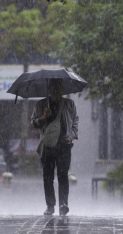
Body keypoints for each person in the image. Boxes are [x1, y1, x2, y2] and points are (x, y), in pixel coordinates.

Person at [31, 78, 79, 216]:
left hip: (64, 145)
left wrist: (71, 136)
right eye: (53, 88)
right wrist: (43, 117)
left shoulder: (69, 104)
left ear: (62, 89)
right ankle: (50, 206)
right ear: (49, 89)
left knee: (63, 175)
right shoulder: (41, 104)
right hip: (48, 146)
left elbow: (75, 122)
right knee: (47, 177)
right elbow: (33, 123)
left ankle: (64, 204)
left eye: (58, 87)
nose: (55, 90)